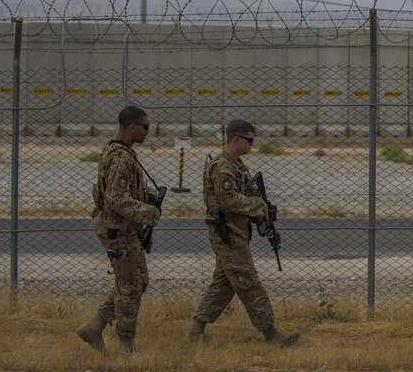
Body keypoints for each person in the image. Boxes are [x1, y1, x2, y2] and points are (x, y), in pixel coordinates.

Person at [187, 119, 299, 346]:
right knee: (248, 283)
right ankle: (270, 333)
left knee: (224, 284)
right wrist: (260, 207)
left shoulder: (237, 166)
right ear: (236, 139)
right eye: (249, 140)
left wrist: (265, 222)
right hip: (227, 233)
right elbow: (228, 200)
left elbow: (251, 197)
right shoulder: (223, 167)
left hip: (236, 232)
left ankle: (196, 332)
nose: (252, 145)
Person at [75, 105, 162, 353]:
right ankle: (126, 346)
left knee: (138, 282)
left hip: (123, 229)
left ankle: (94, 327)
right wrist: (149, 213)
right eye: (145, 127)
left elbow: (124, 192)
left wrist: (147, 196)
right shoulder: (121, 157)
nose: (148, 131)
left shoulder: (123, 153)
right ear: (132, 127)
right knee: (130, 287)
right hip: (118, 230)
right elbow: (117, 199)